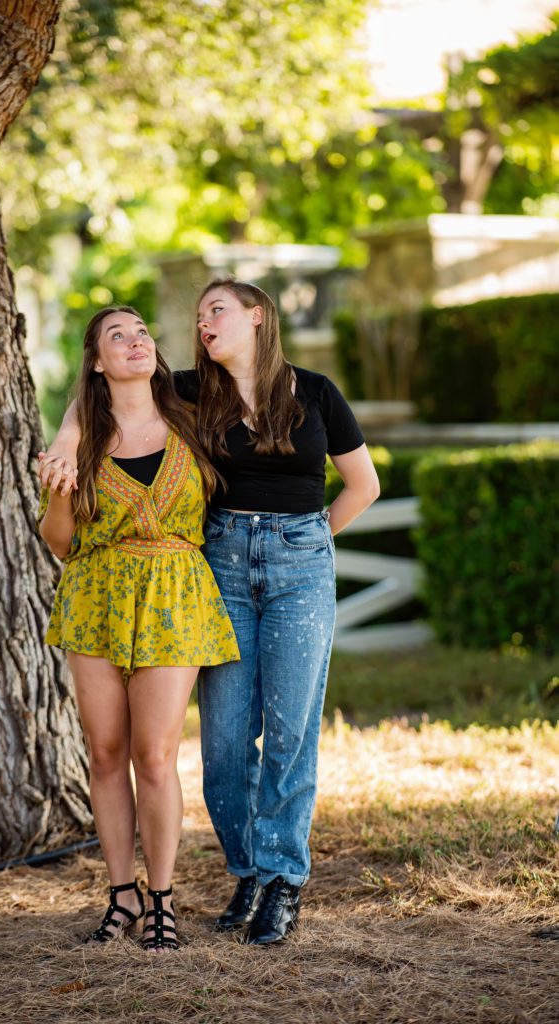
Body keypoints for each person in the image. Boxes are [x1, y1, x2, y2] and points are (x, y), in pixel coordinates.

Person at [40, 279, 379, 946]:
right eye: (196, 317)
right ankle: (246, 869)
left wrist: (308, 545)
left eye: (214, 310)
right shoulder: (192, 391)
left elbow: (362, 483)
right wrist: (62, 448)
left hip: (291, 566)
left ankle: (281, 878)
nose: (201, 324)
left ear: (257, 316)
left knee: (287, 731)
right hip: (216, 564)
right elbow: (98, 402)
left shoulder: (314, 392)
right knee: (223, 741)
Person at [37, 305, 239, 953]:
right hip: (94, 595)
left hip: (176, 594)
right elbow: (61, 543)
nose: (135, 342)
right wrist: (62, 482)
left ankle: (162, 898)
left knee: (154, 755)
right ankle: (120, 894)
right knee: (104, 752)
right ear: (96, 360)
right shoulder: (83, 436)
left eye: (143, 331)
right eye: (116, 337)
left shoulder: (191, 410)